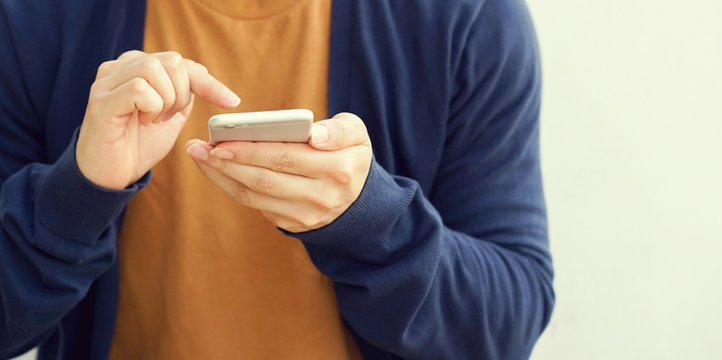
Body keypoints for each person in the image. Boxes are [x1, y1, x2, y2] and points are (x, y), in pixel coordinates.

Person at [0, 0, 553, 358]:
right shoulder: (36, 19)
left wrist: (371, 223)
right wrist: (80, 190)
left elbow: (510, 322)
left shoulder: (466, 17)